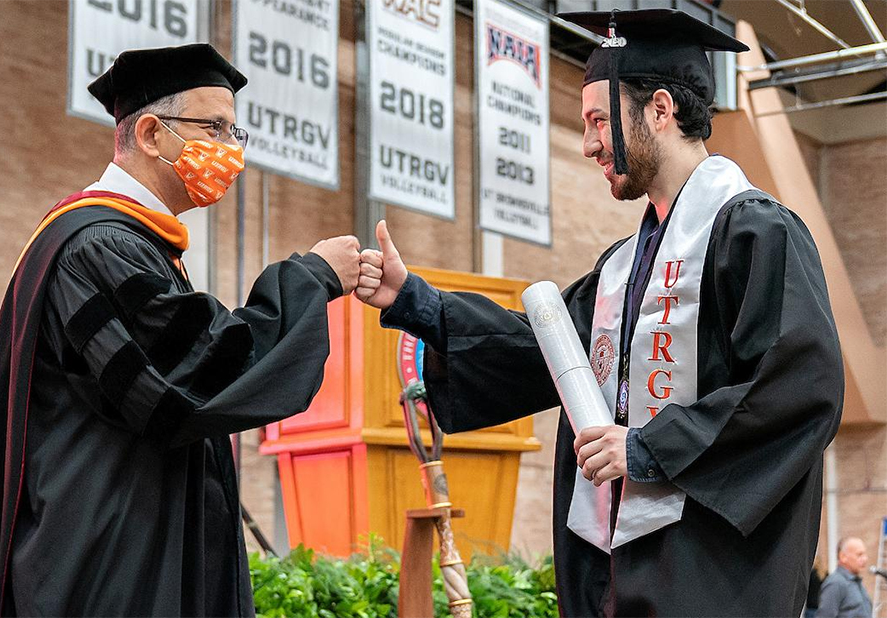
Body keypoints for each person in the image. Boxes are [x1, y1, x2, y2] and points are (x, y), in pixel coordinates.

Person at [356, 8, 843, 616]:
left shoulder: (755, 234)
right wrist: (415, 301)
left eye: (597, 120)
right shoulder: (621, 267)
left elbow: (798, 387)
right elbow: (542, 352)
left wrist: (649, 446)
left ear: (660, 110)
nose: (588, 143)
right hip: (615, 575)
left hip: (708, 575)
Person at [0, 44, 362, 616]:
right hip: (104, 561)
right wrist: (312, 278)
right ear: (153, 134)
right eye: (215, 127)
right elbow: (193, 378)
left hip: (124, 544)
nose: (232, 151)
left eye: (236, 132)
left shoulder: (133, 244)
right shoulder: (100, 244)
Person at [818, 538, 873, 618]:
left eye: (865, 554)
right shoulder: (835, 583)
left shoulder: (856, 582)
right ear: (843, 557)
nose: (865, 559)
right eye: (859, 554)